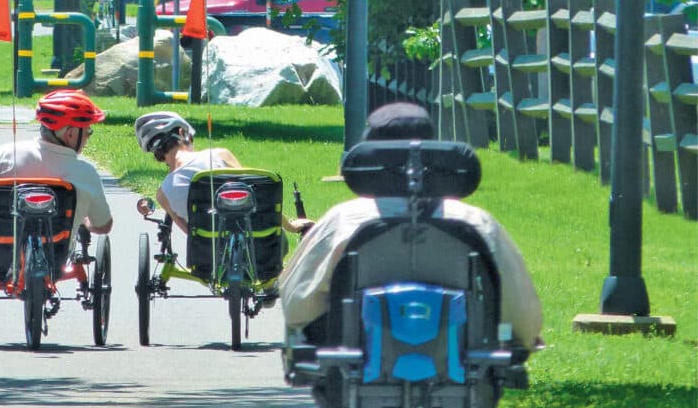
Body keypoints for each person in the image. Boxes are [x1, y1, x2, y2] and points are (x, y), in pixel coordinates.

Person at [279, 102, 544, 352]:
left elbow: (297, 304)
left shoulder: (342, 221)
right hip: (461, 365)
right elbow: (518, 305)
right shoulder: (476, 222)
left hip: (356, 361)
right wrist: (522, 337)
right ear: (433, 149)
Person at [0, 90, 113, 268]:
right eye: (88, 131)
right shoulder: (86, 173)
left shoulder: (8, 154)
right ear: (71, 133)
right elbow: (104, 225)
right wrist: (86, 222)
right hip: (56, 259)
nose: (88, 137)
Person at [133, 110, 313, 236]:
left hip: (208, 256)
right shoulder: (219, 155)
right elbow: (259, 195)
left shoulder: (162, 195)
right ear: (182, 133)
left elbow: (190, 233)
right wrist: (291, 226)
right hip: (255, 242)